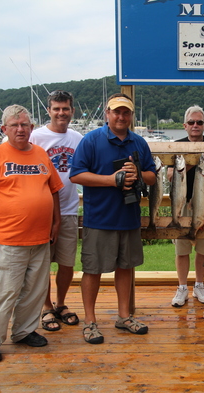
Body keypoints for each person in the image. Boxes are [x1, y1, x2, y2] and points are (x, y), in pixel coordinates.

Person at [0, 105, 63, 362]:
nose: (20, 129)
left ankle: (24, 331)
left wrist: (55, 223)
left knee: (34, 292)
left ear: (32, 128)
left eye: (25, 124)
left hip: (40, 239)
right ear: (5, 129)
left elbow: (54, 190)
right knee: (2, 292)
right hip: (7, 240)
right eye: (15, 125)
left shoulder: (41, 154)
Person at [70, 93, 156, 344]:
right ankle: (89, 321)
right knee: (92, 270)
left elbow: (151, 176)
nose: (121, 116)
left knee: (126, 267)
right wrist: (112, 180)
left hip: (128, 217)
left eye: (126, 112)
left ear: (131, 115)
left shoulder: (139, 142)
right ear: (107, 113)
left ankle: (124, 316)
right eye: (116, 112)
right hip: (99, 218)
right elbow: (76, 175)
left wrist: (138, 172)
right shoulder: (91, 140)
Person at [29, 90, 83, 331]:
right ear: (49, 110)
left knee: (66, 263)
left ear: (72, 110)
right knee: (42, 263)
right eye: (56, 108)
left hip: (70, 208)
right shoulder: (35, 136)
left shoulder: (77, 138)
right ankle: (45, 307)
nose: (61, 113)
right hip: (42, 212)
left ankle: (61, 303)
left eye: (66, 108)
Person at [168, 105, 204, 307]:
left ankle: (199, 285)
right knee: (182, 249)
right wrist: (192, 159)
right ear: (185, 126)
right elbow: (171, 175)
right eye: (191, 122)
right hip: (182, 205)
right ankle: (182, 288)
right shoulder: (176, 146)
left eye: (199, 122)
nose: (195, 126)